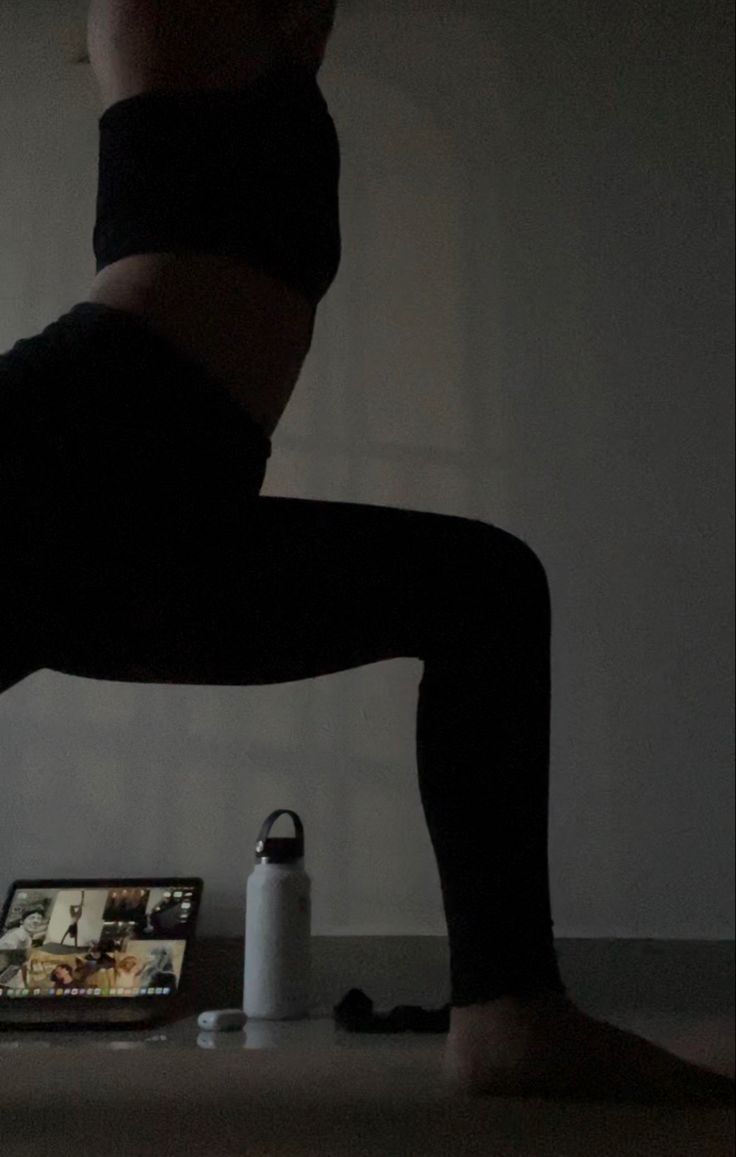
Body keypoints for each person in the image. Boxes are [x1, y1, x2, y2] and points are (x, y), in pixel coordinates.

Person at [1, 1, 732, 1106]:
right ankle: (511, 1012)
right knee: (479, 590)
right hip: (81, 441)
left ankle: (512, 1016)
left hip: (149, 476)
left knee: (479, 591)